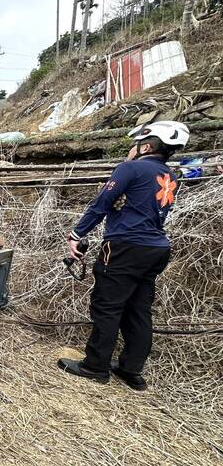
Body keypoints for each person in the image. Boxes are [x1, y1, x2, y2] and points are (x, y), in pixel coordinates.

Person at [57, 121, 190, 390]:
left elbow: (101, 204)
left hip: (125, 248)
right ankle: (131, 370)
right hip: (156, 249)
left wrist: (76, 235)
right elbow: (141, 208)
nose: (131, 148)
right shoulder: (169, 177)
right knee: (139, 310)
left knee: (107, 306)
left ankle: (95, 367)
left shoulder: (131, 168)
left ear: (147, 145)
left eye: (136, 144)